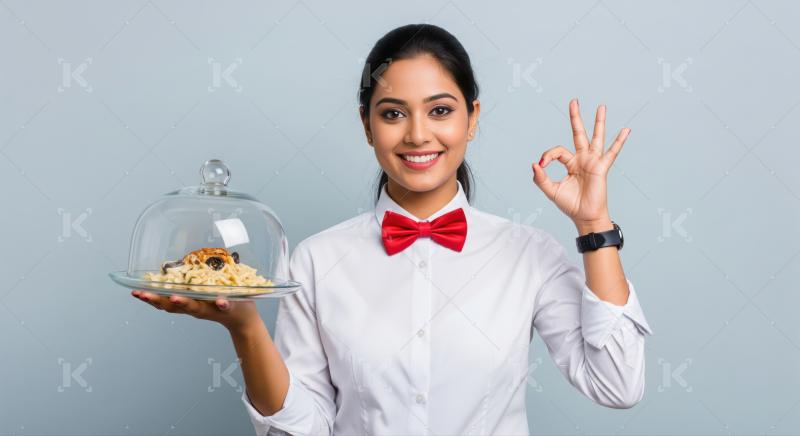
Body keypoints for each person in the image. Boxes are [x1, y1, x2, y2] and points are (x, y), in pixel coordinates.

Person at [132, 23, 653, 436]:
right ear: (367, 125)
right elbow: (301, 430)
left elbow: (616, 384)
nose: (418, 134)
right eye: (393, 113)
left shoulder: (529, 253)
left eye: (440, 110)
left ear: (472, 118)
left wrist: (594, 225)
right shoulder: (315, 260)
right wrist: (245, 328)